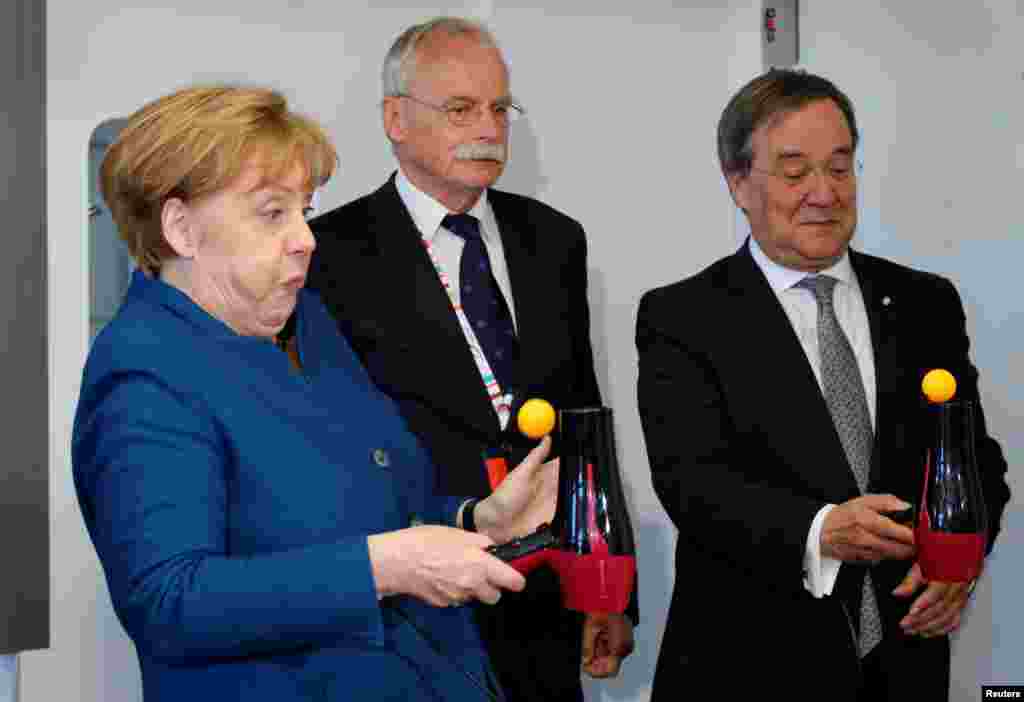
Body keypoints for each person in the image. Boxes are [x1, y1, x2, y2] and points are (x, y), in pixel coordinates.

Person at [72, 84, 561, 702]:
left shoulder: (308, 324)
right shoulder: (145, 373)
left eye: (305, 208)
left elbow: (374, 506)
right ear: (181, 228)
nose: (306, 237)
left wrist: (474, 517)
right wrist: (385, 569)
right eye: (273, 212)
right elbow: (171, 601)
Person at [636, 69, 1010, 701]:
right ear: (738, 183)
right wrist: (819, 530)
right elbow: (692, 483)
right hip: (747, 666)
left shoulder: (925, 303)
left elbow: (976, 463)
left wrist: (959, 562)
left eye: (840, 168)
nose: (823, 193)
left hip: (904, 664)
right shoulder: (685, 316)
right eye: (793, 171)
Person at [301, 16, 635, 702]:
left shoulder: (552, 240)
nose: (487, 127)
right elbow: (325, 450)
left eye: (498, 108)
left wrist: (610, 584)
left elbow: (584, 418)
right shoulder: (326, 256)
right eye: (460, 109)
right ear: (396, 117)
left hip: (545, 596)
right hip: (412, 607)